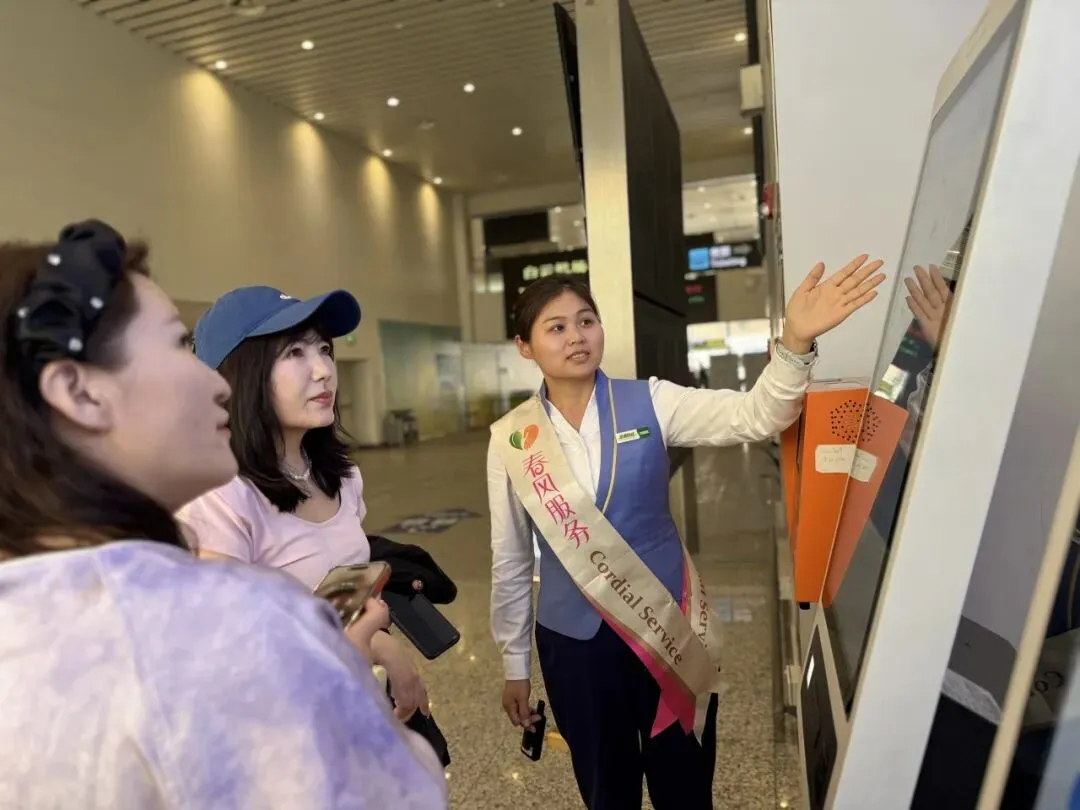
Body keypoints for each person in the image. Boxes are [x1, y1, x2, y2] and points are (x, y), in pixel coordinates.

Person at [0, 220, 448, 809]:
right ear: (79, 393)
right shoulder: (229, 617)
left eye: (324, 350)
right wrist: (342, 668)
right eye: (176, 345)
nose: (211, 383)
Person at [488, 255, 886, 810]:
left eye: (586, 320)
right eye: (556, 327)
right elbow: (509, 559)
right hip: (575, 647)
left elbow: (756, 415)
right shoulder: (513, 440)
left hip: (666, 628)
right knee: (606, 791)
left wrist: (795, 341)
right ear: (525, 346)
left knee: (685, 786)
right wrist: (515, 666)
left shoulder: (650, 400)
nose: (576, 336)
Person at [178, 285, 429, 721]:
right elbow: (227, 649)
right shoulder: (218, 495)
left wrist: (376, 642)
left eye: (324, 350)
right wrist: (370, 642)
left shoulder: (343, 478)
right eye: (295, 352)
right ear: (240, 374)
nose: (323, 370)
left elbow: (336, 607)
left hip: (359, 704)